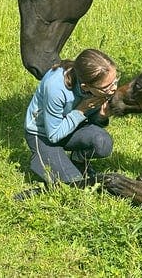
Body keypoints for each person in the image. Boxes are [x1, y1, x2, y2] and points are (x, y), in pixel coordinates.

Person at [24, 49, 118, 189]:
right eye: (107, 87)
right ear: (85, 86)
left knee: (103, 144)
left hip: (71, 128)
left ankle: (77, 159)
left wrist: (101, 116)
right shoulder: (55, 87)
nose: (114, 89)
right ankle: (44, 159)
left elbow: (91, 121)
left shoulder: (96, 86)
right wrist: (81, 110)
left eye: (115, 80)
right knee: (75, 184)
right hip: (43, 135)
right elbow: (53, 135)